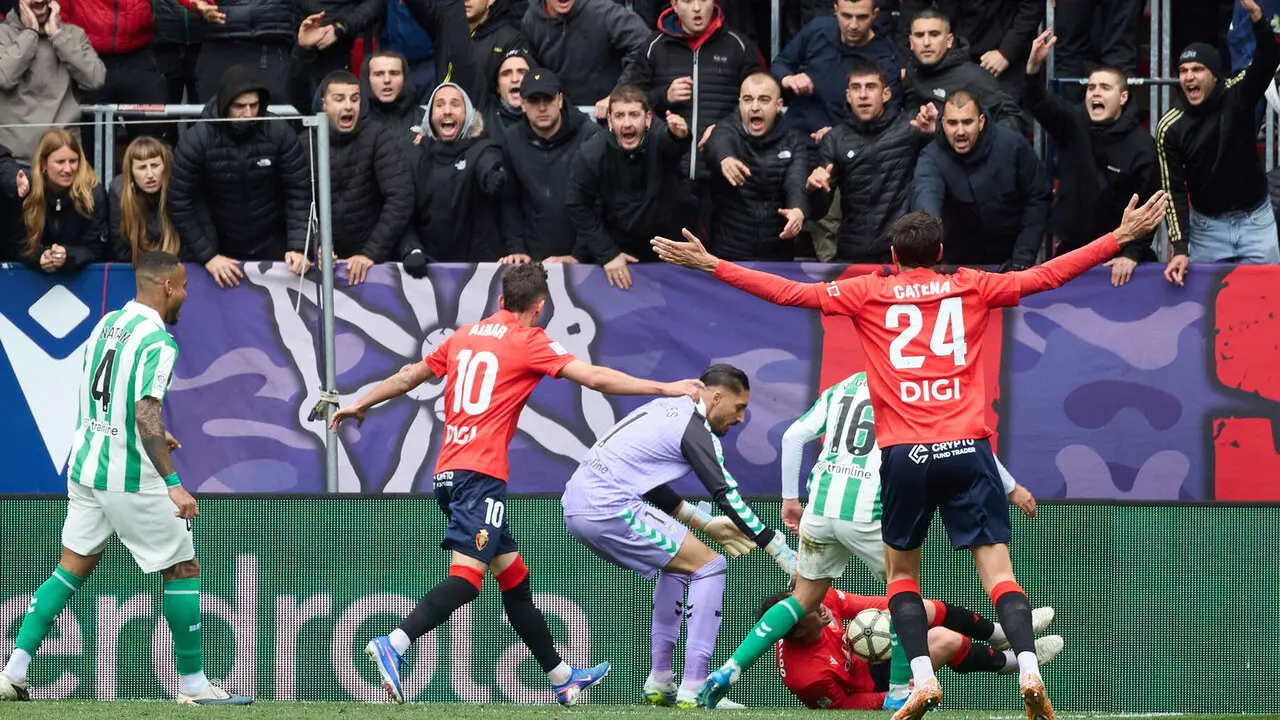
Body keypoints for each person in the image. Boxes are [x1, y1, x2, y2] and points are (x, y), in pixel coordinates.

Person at [652, 189, 1169, 719]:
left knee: (902, 578)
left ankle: (918, 679)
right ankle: (1029, 669)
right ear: (941, 250)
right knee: (999, 573)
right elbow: (1048, 275)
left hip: (905, 458)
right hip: (968, 449)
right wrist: (1119, 238)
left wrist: (711, 263)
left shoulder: (865, 292)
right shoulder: (973, 285)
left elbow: (785, 293)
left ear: (892, 257)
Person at [329, 263, 703, 706]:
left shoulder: (463, 336)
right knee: (468, 581)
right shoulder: (530, 341)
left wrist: (359, 402)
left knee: (514, 580)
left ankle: (563, 678)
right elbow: (597, 378)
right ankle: (395, 643)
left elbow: (411, 375)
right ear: (539, 306)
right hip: (480, 477)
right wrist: (666, 387)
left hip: (449, 472)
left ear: (501, 298)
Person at [0, 251, 252, 706]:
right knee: (183, 567)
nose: (186, 294)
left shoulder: (107, 324)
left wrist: (153, 430)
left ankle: (13, 670)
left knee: (70, 568)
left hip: (86, 467)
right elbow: (144, 409)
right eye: (184, 286)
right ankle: (195, 686)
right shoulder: (159, 342)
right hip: (129, 476)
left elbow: (105, 393)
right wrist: (172, 481)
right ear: (169, 287)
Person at [562, 364, 796, 708]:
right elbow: (726, 494)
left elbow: (646, 479)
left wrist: (701, 522)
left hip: (579, 503)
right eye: (739, 407)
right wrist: (780, 550)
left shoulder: (667, 409)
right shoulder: (696, 428)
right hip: (607, 506)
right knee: (711, 566)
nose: (741, 418)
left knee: (682, 565)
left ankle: (661, 681)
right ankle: (695, 686)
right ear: (716, 397)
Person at [765, 588, 1063, 710]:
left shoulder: (819, 598)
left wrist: (904, 611)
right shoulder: (807, 677)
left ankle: (1001, 633)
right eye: (811, 611)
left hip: (877, 645)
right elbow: (844, 707)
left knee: (919, 607)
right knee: (946, 640)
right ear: (800, 632)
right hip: (876, 683)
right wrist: (896, 694)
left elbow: (867, 604)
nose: (818, 606)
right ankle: (1017, 661)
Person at [1023, 30, 1159, 286]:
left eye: (1105, 88)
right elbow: (1038, 101)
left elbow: (1150, 207)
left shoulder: (1142, 146)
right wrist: (1032, 69)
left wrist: (1131, 254)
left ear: (1123, 98)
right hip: (1072, 251)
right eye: (1091, 87)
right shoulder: (1073, 121)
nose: (1095, 93)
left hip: (1120, 255)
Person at [1158, 0, 1280, 286]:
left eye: (1198, 69)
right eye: (1184, 70)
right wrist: (1179, 247)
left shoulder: (1238, 93)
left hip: (1256, 222)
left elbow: (1268, 59)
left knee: (1268, 309)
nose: (1189, 76)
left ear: (1214, 75)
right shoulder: (1169, 127)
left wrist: (1258, 21)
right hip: (1206, 228)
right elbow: (1172, 191)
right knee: (1204, 318)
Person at [10, 129, 107, 274]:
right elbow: (15, 242)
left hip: (80, 280)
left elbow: (97, 248)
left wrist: (67, 255)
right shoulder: (25, 190)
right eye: (60, 162)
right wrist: (39, 256)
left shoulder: (93, 194)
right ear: (43, 164)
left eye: (73, 161)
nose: (68, 169)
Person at [109, 136, 182, 264]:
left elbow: (190, 236)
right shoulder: (118, 191)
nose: (150, 175)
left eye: (155, 165)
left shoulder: (178, 186)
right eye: (142, 168)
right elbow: (120, 245)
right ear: (131, 171)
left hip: (177, 263)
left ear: (165, 166)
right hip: (137, 266)